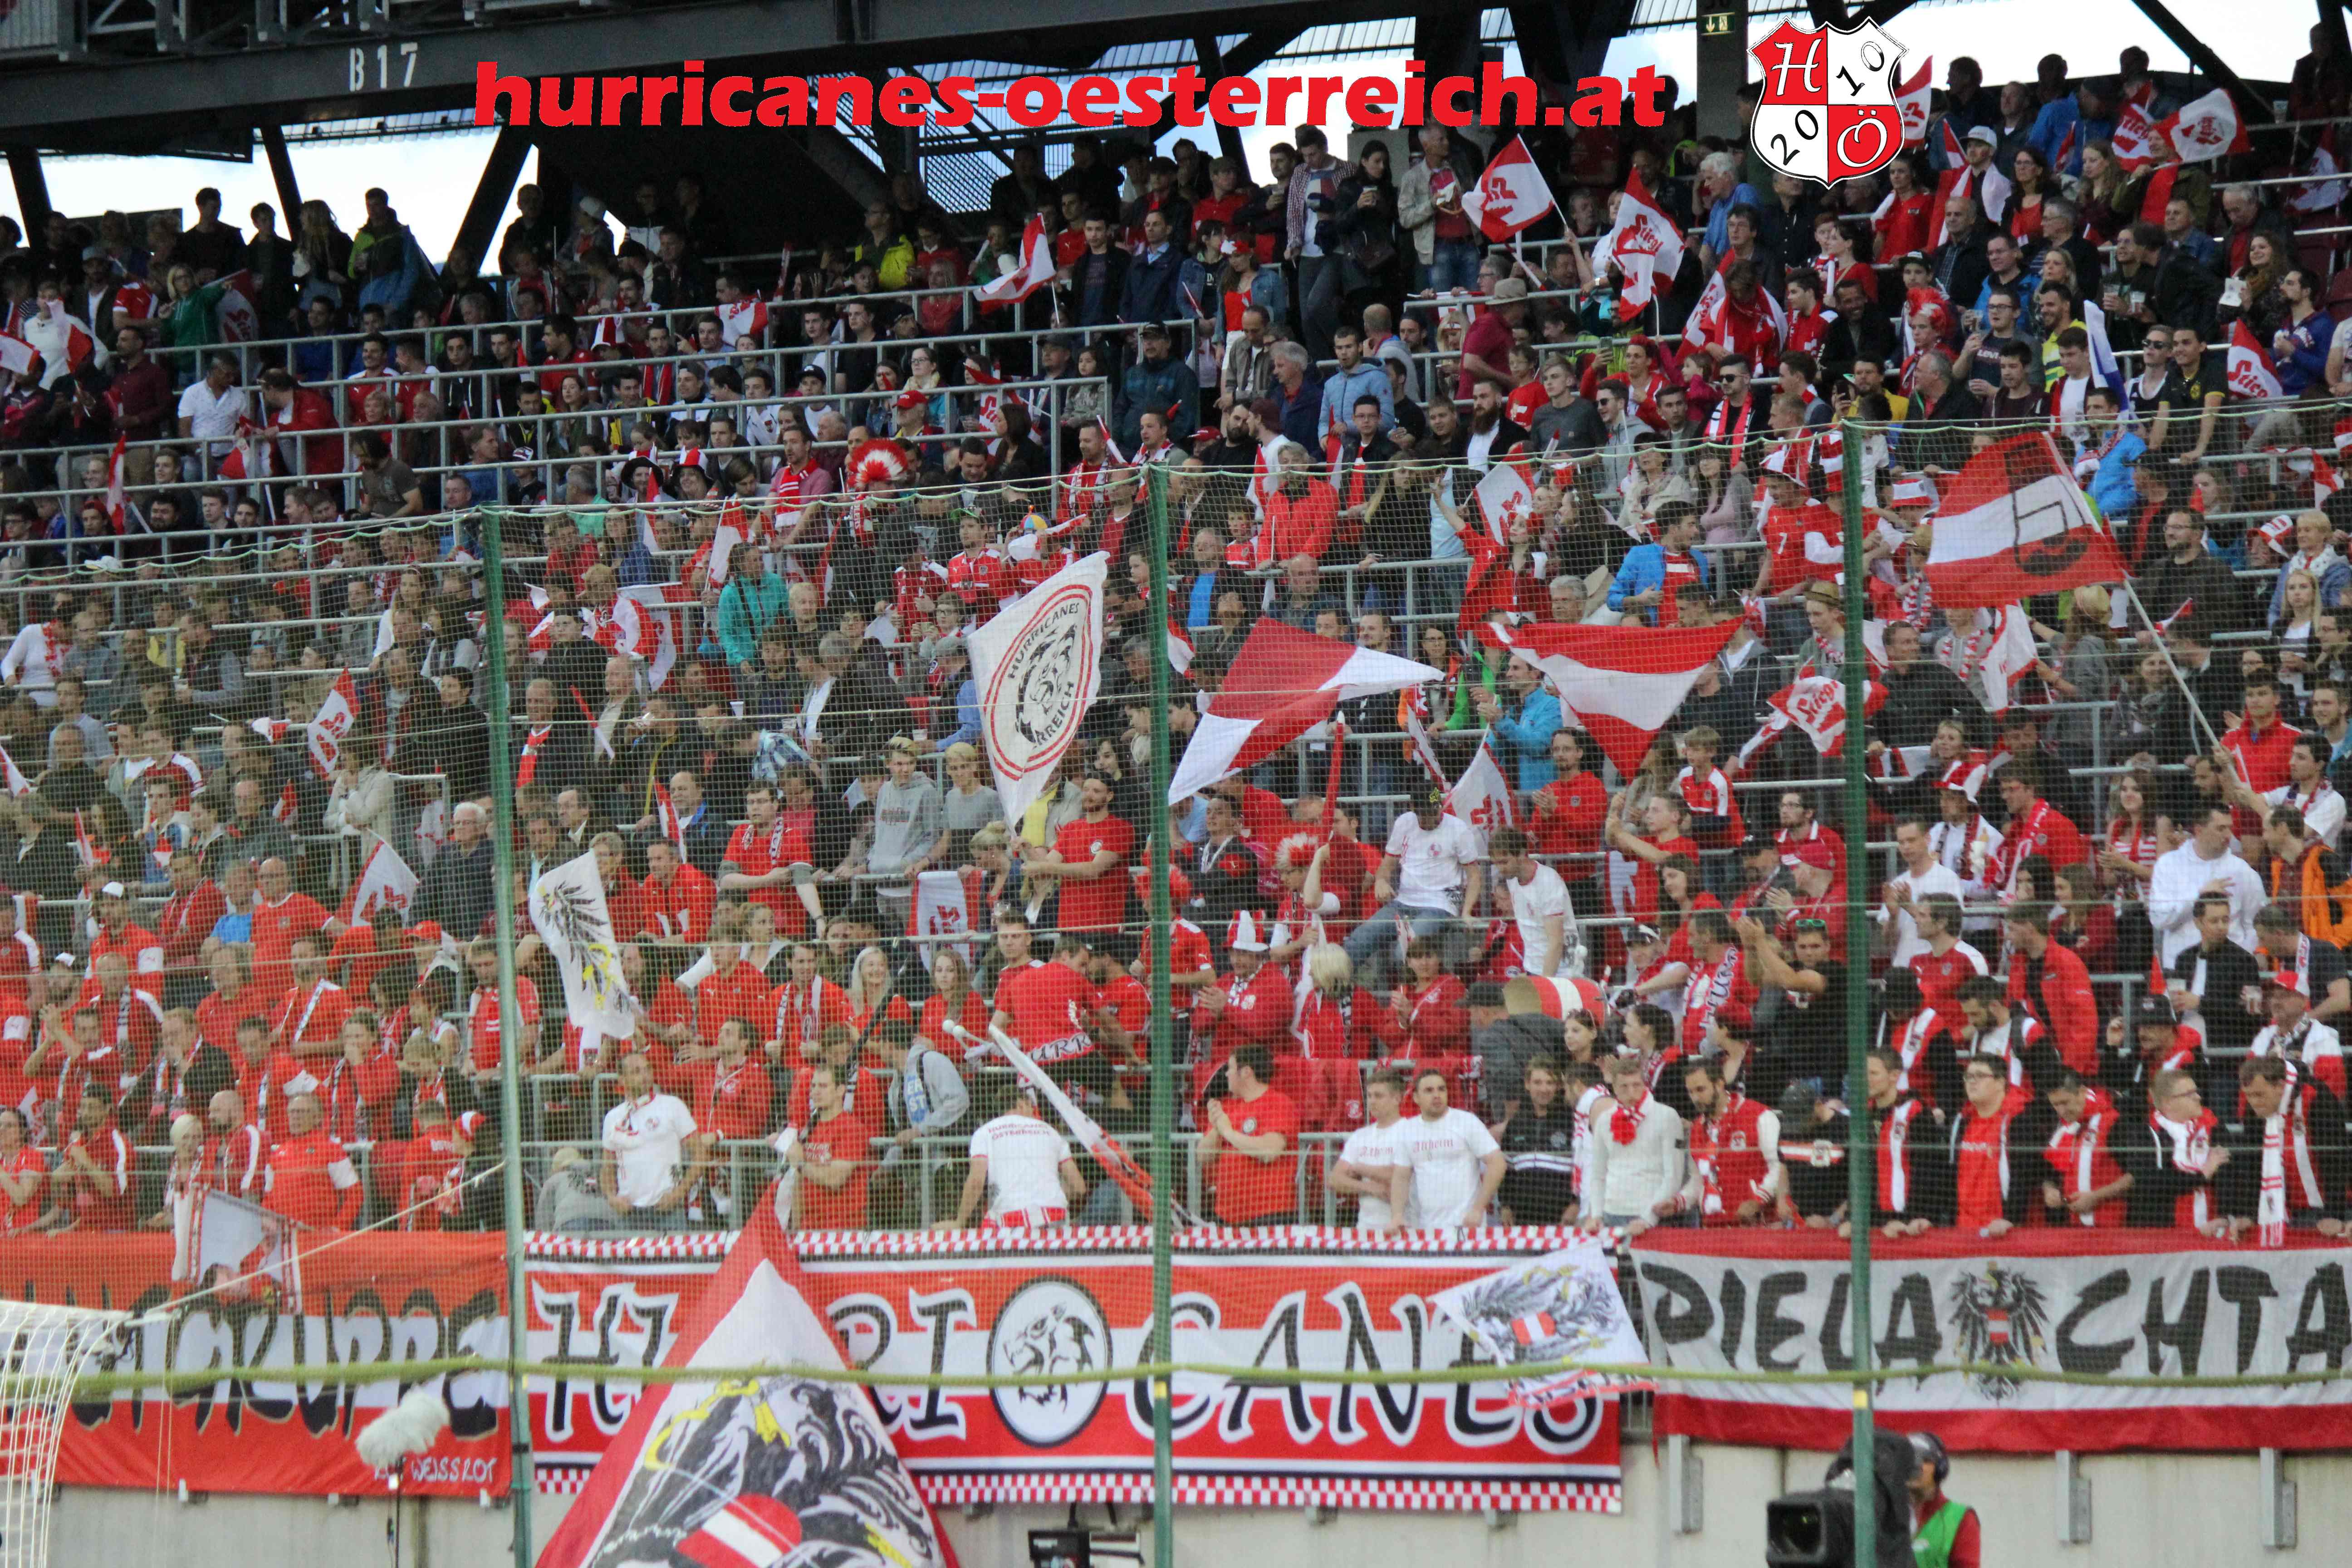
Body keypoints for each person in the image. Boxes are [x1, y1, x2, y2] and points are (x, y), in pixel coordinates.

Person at [949, 1086, 1083, 1229]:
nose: (1033, 1112)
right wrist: (1052, 1197)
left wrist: (960, 1222)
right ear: (1021, 1104)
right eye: (1032, 1107)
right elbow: (1079, 1187)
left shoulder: (985, 1133)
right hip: (1055, 1216)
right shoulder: (1052, 1132)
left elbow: (976, 1182)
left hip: (1010, 1219)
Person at [1197, 1043, 1299, 1227]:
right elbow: (1203, 1156)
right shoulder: (1228, 1106)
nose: (1226, 1074)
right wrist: (1217, 1129)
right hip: (1227, 1215)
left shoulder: (1279, 1103)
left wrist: (1228, 1132)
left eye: (1230, 1068)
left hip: (1268, 1214)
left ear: (1246, 1072)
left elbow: (1270, 1151)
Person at [1394, 1067, 1504, 1230]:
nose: (1437, 1095)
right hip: (1427, 1228)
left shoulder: (1467, 1122)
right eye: (1429, 1091)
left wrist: (1478, 1209)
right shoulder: (1408, 1130)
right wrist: (1397, 1216)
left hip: (1467, 1226)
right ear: (1416, 1097)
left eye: (1441, 1089)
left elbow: (1498, 1163)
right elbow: (1401, 1177)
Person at [598, 1049, 697, 1227]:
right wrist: (612, 1198)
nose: (644, 1075)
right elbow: (607, 1167)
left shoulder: (672, 1105)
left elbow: (701, 1155)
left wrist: (679, 1193)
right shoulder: (613, 1117)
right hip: (628, 1213)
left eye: (647, 1069)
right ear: (622, 1080)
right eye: (637, 1071)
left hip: (668, 1210)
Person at [1333, 1066, 1412, 1232]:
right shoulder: (1360, 1136)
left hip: (1406, 1228)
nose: (1372, 1101)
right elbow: (1335, 1179)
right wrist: (1370, 1188)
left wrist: (1360, 1168)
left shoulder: (1411, 1131)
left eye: (1379, 1096)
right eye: (1369, 1096)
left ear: (1397, 1098)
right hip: (1365, 1229)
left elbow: (1400, 1174)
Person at [1906, 1432, 1981, 1568]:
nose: (1915, 1465)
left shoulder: (1960, 1518)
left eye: (1925, 1459)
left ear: (1940, 1468)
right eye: (1908, 1459)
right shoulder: (1887, 1515)